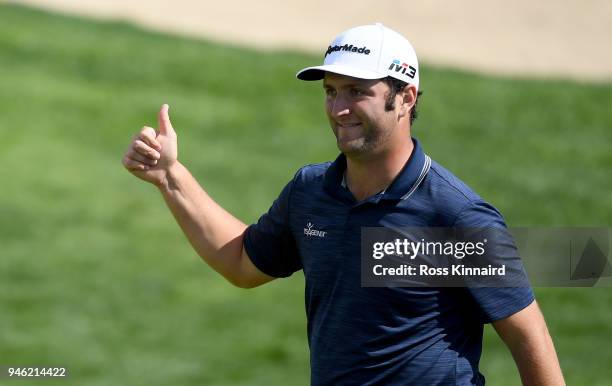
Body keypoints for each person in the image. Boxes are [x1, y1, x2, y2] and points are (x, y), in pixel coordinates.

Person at [122, 23, 565, 386]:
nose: (339, 108)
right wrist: (169, 177)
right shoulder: (312, 192)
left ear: (406, 97)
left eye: (357, 91)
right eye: (331, 91)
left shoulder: (454, 216)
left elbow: (530, 337)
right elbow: (241, 261)